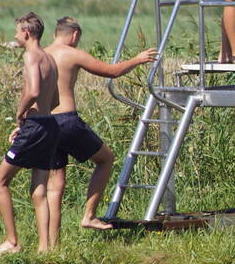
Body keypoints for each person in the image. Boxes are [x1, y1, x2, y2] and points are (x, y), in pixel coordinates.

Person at [45, 17, 158, 238]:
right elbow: (111, 71)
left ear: (55, 33)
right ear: (75, 35)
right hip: (67, 120)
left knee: (55, 185)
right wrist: (138, 59)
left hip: (46, 123)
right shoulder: (72, 53)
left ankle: (51, 244)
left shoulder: (41, 54)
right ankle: (89, 216)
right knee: (105, 159)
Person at [0, 12, 59, 254]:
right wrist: (31, 119)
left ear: (26, 33)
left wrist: (21, 115)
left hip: (35, 126)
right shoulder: (50, 59)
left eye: (17, 31)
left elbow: (34, 91)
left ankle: (12, 242)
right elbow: (55, 99)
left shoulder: (31, 56)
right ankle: (44, 249)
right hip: (49, 125)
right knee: (39, 190)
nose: (15, 36)